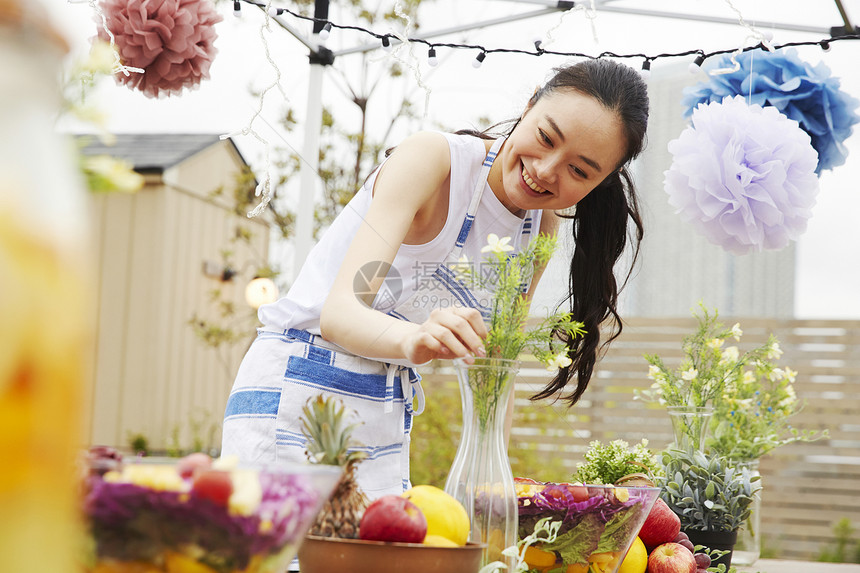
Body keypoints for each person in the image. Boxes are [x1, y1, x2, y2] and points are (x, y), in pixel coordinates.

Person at [221, 58, 649, 499]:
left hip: (382, 411)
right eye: (545, 137)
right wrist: (417, 338)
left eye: (579, 171)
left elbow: (495, 371)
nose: (545, 170)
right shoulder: (433, 160)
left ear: (602, 181)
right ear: (529, 105)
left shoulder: (538, 227)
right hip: (295, 389)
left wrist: (489, 483)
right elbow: (340, 313)